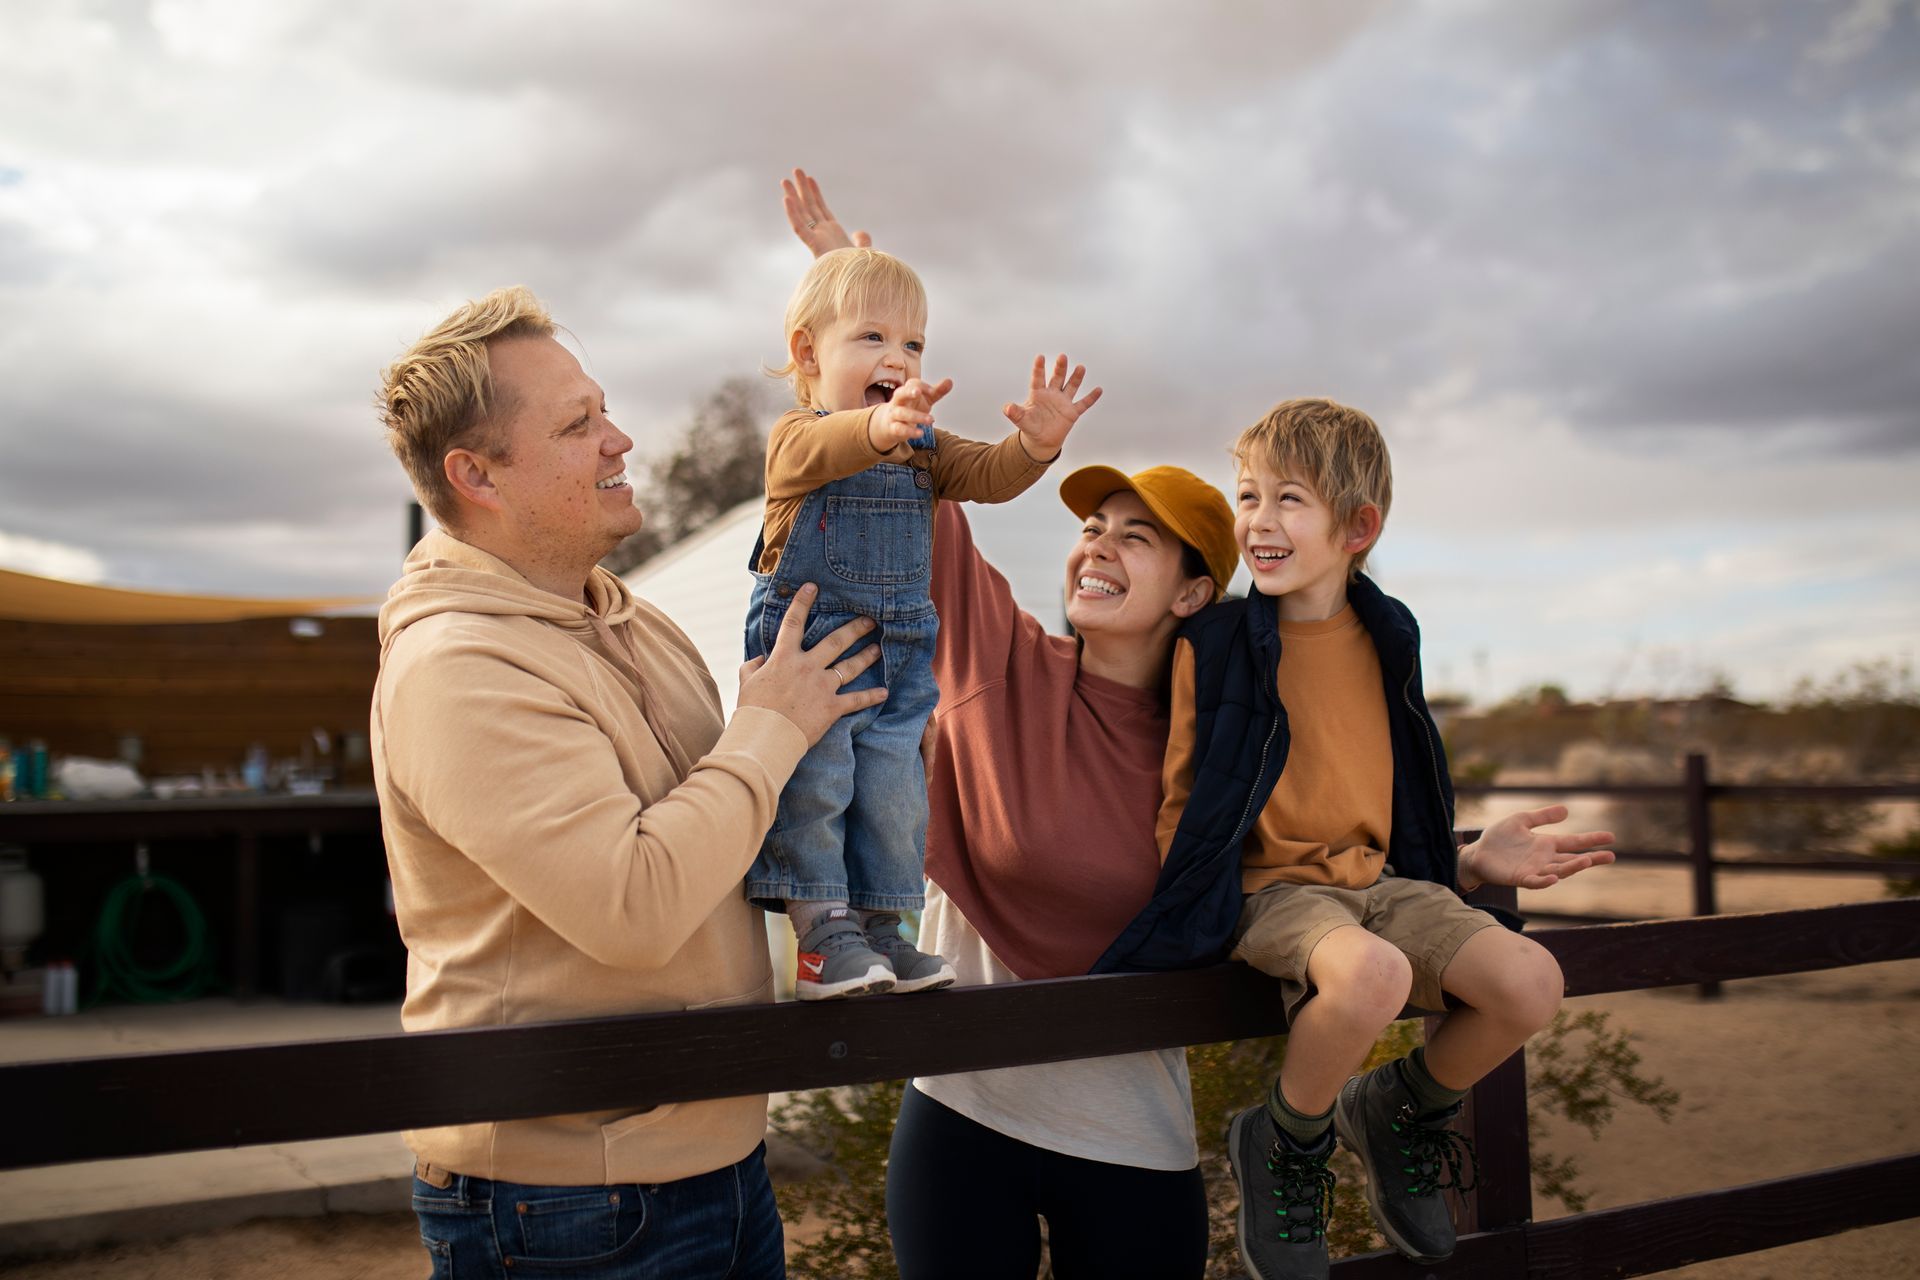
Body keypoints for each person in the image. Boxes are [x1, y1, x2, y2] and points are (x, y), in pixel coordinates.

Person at [785, 172, 1609, 1280]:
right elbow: (889, 470)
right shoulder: (999, 662)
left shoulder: (1225, 749)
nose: (1097, 545)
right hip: (962, 1108)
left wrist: (1463, 860)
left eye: (1139, 536)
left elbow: (1304, 870)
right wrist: (852, 290)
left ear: (1191, 590)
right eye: (1092, 526)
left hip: (1132, 1136)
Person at [372, 285, 886, 1279]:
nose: (621, 439)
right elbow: (635, 904)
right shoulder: (456, 668)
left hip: (718, 1160)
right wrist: (771, 726)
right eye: (578, 424)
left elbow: (739, 821)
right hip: (564, 1198)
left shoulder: (634, 621)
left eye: (603, 408)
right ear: (474, 473)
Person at [1118, 398, 1616, 1280]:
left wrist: (1458, 864)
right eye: (1248, 496)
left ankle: (1398, 1108)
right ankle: (1285, 1140)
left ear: (1358, 527)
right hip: (1273, 893)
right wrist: (1195, 893)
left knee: (1532, 981)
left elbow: (1401, 778)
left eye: (1289, 500)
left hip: (1383, 885)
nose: (1258, 522)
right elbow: (1184, 792)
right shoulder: (1219, 638)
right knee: (1375, 977)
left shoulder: (1389, 632)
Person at [746, 242, 1103, 1000]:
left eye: (913, 343)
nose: (900, 358)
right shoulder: (796, 438)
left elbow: (988, 475)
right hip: (810, 653)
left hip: (900, 658)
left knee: (896, 793)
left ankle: (882, 929)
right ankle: (820, 937)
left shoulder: (923, 450)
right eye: (873, 338)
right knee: (820, 781)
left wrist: (1036, 445)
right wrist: (877, 432)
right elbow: (831, 443)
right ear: (808, 353)